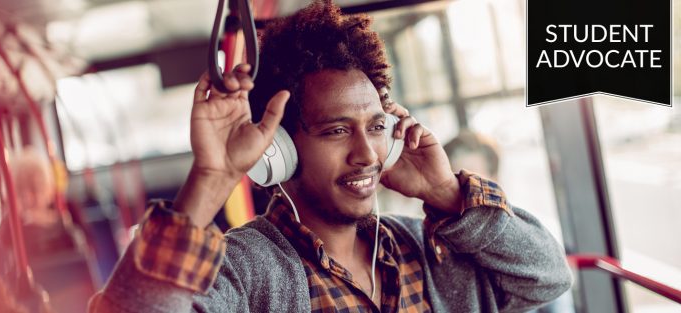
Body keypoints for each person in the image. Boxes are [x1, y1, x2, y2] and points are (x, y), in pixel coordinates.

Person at [89, 1, 572, 312]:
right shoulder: (246, 268)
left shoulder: (424, 249)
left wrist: (446, 194)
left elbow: (547, 276)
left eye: (377, 128)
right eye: (336, 130)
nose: (366, 154)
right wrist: (212, 177)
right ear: (278, 149)